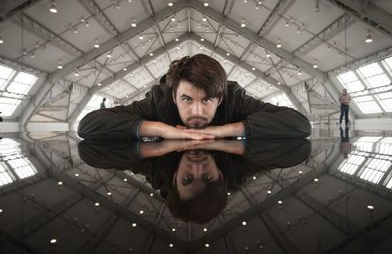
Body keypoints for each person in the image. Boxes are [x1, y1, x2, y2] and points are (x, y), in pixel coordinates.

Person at [78, 54, 311, 140]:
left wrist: (227, 129)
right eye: (187, 99)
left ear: (220, 99)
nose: (197, 112)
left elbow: (299, 124)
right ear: (173, 97)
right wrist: (159, 128)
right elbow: (88, 126)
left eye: (207, 99)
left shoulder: (234, 99)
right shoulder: (158, 101)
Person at [78, 138, 311, 223]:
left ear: (174, 177)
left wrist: (160, 134)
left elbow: (90, 152)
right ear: (220, 175)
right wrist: (225, 135)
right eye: (207, 177)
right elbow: (298, 151)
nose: (198, 166)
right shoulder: (236, 169)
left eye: (187, 178)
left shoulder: (156, 167)